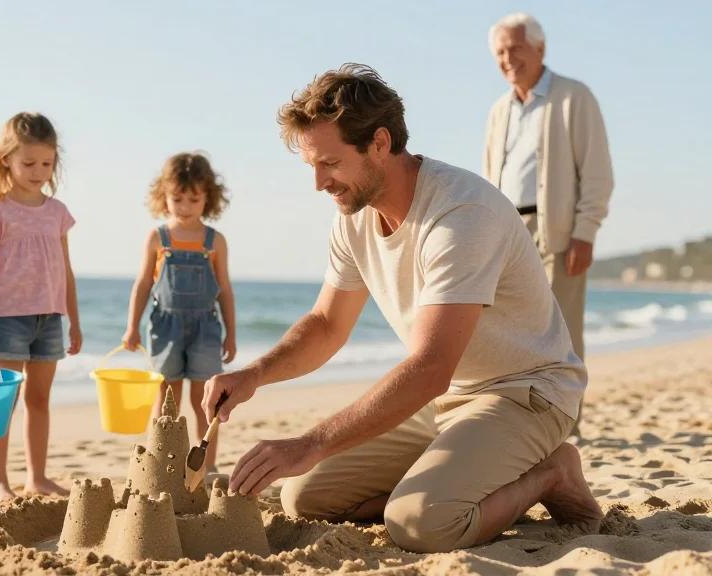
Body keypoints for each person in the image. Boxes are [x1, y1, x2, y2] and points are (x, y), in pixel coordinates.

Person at [204, 64, 603, 553]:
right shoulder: (353, 216)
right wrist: (254, 374)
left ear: (379, 142)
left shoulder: (461, 214)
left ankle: (551, 474)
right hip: (446, 400)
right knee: (305, 496)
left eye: (329, 163)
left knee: (420, 524)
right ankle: (446, 480)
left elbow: (430, 367)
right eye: (311, 165)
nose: (318, 183)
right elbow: (328, 324)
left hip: (525, 394)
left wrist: (308, 444)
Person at [483, 12, 614, 363]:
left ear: (540, 49)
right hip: (508, 234)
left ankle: (568, 420)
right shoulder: (499, 110)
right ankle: (528, 417)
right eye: (500, 52)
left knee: (561, 335)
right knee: (514, 332)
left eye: (516, 48)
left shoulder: (574, 96)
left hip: (556, 232)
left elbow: (598, 173)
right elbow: (490, 176)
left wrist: (584, 233)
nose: (508, 59)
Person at [0, 112, 82, 499]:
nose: (38, 171)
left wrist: (75, 321)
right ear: (7, 160)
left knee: (39, 400)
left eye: (47, 164)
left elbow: (66, 270)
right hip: (7, 318)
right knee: (3, 402)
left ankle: (37, 477)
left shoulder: (57, 212)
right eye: (29, 163)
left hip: (50, 318)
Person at [123, 152, 236, 473]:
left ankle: (207, 466)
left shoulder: (215, 241)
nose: (184, 207)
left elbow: (224, 290)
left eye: (193, 199)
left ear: (208, 199)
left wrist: (231, 333)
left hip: (206, 328)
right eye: (177, 199)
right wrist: (132, 326)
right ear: (164, 197)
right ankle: (161, 465)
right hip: (165, 327)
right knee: (166, 401)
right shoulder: (158, 238)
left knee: (205, 401)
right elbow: (143, 284)